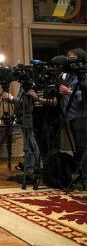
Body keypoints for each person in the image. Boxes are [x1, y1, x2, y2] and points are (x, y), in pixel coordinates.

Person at [59, 48, 87, 187]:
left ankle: (84, 176)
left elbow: (85, 94)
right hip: (69, 114)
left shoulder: (84, 75)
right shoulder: (69, 75)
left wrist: (70, 92)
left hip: (81, 115)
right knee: (77, 146)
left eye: (72, 59)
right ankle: (80, 175)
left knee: (82, 146)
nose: (70, 62)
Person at [2, 89, 40, 178]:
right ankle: (31, 168)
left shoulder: (29, 86)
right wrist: (11, 99)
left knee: (30, 146)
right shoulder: (23, 86)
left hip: (28, 119)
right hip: (23, 120)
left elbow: (26, 104)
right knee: (29, 145)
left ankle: (30, 170)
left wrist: (11, 98)